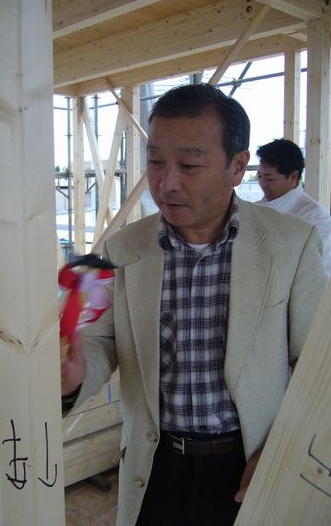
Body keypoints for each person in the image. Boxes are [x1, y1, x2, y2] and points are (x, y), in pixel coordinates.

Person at [61, 84, 326, 526]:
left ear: (237, 166)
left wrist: (285, 449)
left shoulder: (291, 244)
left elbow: (316, 367)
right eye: (155, 161)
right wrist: (74, 376)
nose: (167, 183)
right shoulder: (125, 248)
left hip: (250, 462)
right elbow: (102, 340)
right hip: (154, 463)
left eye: (189, 165)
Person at [256, 138, 331, 277]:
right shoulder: (254, 209)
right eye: (259, 176)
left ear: (293, 177)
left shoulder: (315, 217)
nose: (262, 183)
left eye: (269, 178)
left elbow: (315, 273)